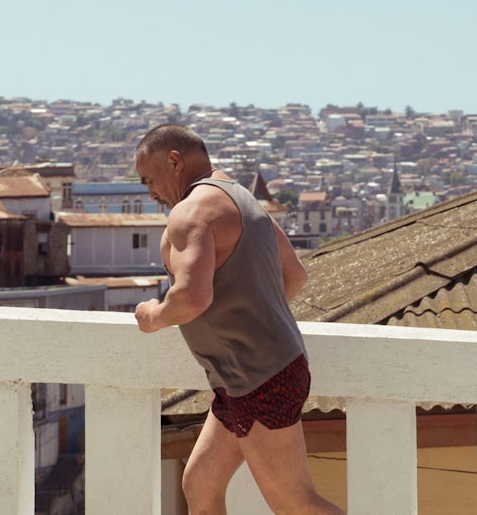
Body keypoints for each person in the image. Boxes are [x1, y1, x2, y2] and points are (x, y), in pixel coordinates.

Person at [133, 123, 343, 515]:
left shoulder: (190, 213)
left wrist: (152, 316)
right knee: (200, 485)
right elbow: (294, 275)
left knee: (296, 504)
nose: (151, 194)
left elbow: (191, 298)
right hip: (251, 375)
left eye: (149, 179)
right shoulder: (242, 199)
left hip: (258, 378)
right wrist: (249, 311)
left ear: (174, 162)